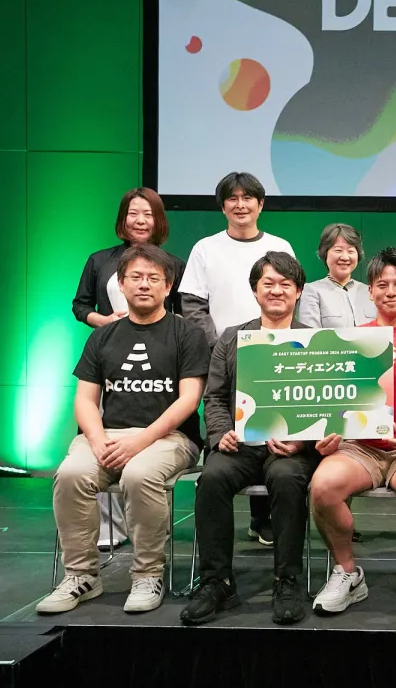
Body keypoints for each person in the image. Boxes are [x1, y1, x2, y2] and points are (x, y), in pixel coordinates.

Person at [39, 245, 208, 615]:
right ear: (121, 283)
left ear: (168, 286)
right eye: (136, 277)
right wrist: (98, 441)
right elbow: (86, 401)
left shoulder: (187, 334)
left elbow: (188, 400)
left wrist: (140, 442)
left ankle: (148, 574)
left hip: (169, 438)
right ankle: (82, 575)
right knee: (71, 473)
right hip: (109, 436)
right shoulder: (102, 336)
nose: (144, 284)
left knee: (139, 474)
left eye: (153, 278)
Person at [179, 252, 319, 626]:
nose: (276, 291)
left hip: (290, 449)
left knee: (287, 479)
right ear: (255, 291)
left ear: (298, 291)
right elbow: (214, 396)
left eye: (285, 284)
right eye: (267, 283)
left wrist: (302, 442)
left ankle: (286, 580)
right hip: (239, 445)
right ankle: (216, 581)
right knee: (211, 478)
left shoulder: (316, 340)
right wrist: (220, 434)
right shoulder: (232, 337)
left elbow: (323, 404)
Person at [309, 248, 396, 616]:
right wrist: (331, 431)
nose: (390, 292)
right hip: (361, 448)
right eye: (381, 285)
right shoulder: (351, 339)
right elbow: (335, 399)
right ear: (370, 291)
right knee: (323, 487)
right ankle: (347, 572)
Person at [179, 172, 295, 547]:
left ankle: (263, 520)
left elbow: (291, 297)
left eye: (248, 198)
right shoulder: (205, 248)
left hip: (275, 357)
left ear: (261, 204)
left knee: (274, 437)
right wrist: (224, 348)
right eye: (233, 198)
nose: (240, 204)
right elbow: (193, 305)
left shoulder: (279, 245)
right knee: (230, 441)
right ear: (223, 206)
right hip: (224, 356)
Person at [73, 188, 187, 551]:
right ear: (122, 219)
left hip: (158, 361)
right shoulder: (99, 260)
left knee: (149, 462)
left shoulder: (173, 263)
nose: (140, 220)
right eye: (133, 213)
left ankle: (150, 531)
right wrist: (105, 323)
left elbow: (180, 311)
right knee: (97, 442)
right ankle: (109, 528)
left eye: (148, 214)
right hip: (110, 356)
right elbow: (80, 306)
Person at [298, 223, 377, 329]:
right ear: (325, 253)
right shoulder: (312, 291)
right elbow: (310, 335)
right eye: (338, 250)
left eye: (350, 251)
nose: (345, 257)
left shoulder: (370, 292)